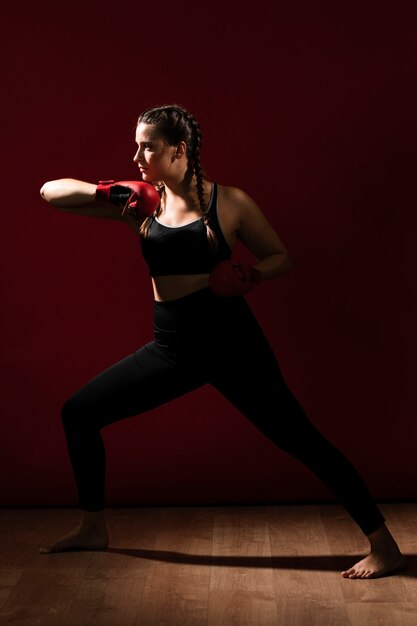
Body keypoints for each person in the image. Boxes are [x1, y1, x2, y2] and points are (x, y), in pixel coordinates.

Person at [38, 104, 406, 579]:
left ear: (179, 150)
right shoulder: (141, 204)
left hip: (233, 344)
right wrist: (108, 191)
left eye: (147, 146)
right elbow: (51, 193)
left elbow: (280, 257)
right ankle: (93, 528)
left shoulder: (228, 203)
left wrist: (249, 274)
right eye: (136, 146)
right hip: (171, 347)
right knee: (79, 413)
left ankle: (384, 546)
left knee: (302, 440)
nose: (137, 155)